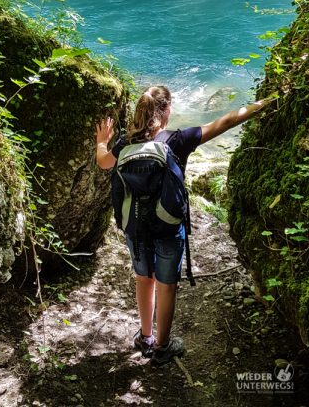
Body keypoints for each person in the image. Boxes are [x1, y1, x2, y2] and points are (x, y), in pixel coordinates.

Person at [96, 85, 274, 366]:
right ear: (166, 111)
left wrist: (102, 141)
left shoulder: (123, 144)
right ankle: (163, 347)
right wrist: (263, 103)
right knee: (167, 285)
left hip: (136, 227)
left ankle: (145, 338)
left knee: (144, 278)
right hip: (168, 226)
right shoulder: (177, 140)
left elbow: (104, 163)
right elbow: (225, 122)